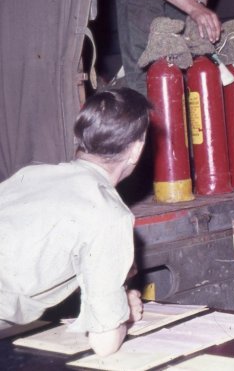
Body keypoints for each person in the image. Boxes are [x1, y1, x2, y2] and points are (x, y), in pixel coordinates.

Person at [0, 88, 152, 356]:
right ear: (136, 150)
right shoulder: (108, 213)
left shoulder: (30, 174)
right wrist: (123, 314)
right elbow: (104, 344)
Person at [110, 0, 226, 95]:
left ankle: (178, 106)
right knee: (146, 65)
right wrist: (194, 9)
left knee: (184, 58)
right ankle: (139, 102)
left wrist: (199, 7)